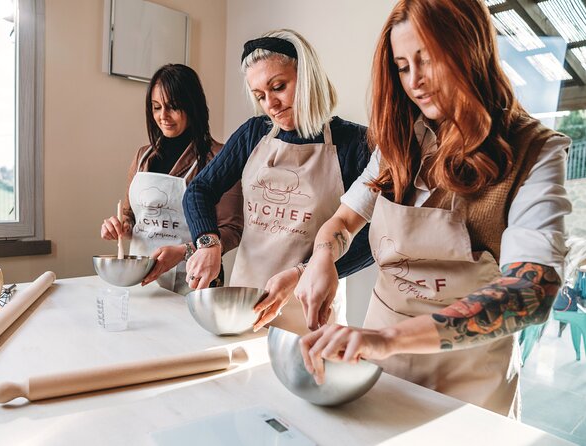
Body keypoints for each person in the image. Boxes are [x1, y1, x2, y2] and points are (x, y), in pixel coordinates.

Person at [295, 0, 571, 418]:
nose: (415, 82)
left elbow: (531, 291)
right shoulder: (400, 142)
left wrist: (390, 338)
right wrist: (322, 258)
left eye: (428, 61)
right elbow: (344, 220)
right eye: (403, 66)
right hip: (375, 363)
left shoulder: (535, 151)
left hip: (469, 378)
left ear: (470, 50)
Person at [183, 29, 374, 334]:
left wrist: (305, 272)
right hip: (243, 306)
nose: (270, 103)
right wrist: (208, 243)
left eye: (279, 87)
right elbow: (199, 190)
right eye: (260, 96)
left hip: (310, 308)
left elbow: (373, 239)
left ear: (307, 76)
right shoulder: (253, 134)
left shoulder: (355, 144)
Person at [101, 64, 243, 295]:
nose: (162, 116)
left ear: (193, 106)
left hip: (194, 278)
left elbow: (232, 228)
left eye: (173, 107)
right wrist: (120, 227)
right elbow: (130, 217)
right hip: (143, 276)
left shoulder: (220, 157)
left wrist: (185, 251)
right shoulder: (142, 156)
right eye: (156, 107)